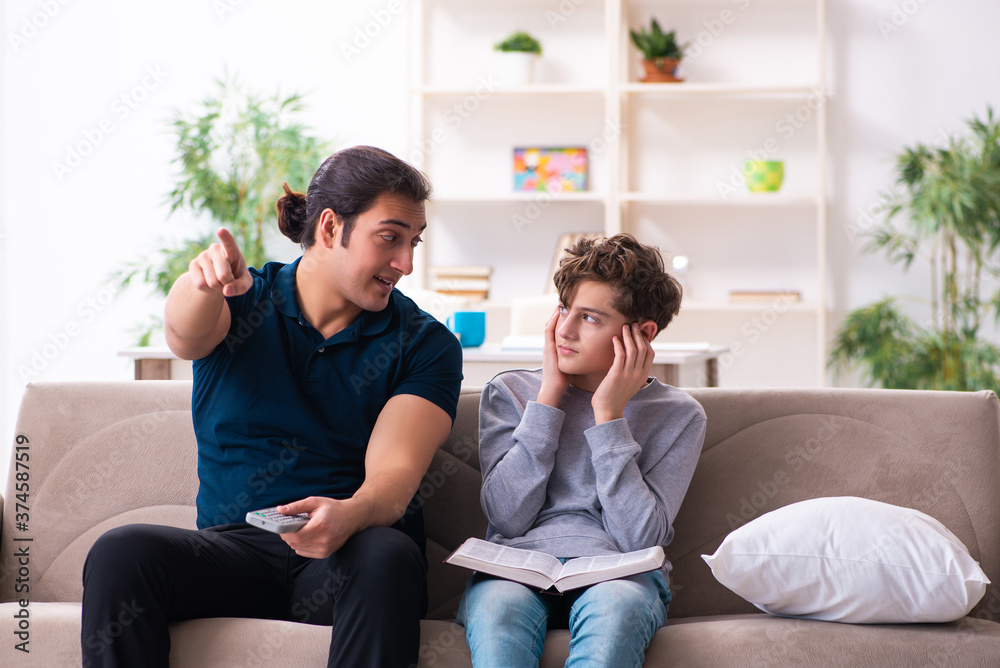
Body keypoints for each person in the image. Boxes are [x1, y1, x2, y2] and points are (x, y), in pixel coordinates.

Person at [80, 146, 463, 668]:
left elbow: (393, 477)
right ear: (330, 227)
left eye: (413, 243)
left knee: (387, 553)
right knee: (120, 552)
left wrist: (350, 514)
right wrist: (203, 285)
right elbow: (184, 334)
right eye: (390, 238)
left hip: (346, 553)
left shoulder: (426, 344)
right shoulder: (240, 299)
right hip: (234, 553)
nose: (407, 263)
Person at [456, 234, 707, 667]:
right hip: (514, 570)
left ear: (642, 334)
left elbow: (638, 538)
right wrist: (548, 399)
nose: (565, 330)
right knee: (499, 610)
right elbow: (506, 516)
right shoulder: (511, 392)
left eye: (590, 318)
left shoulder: (679, 415)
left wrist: (608, 416)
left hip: (619, 574)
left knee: (616, 608)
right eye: (564, 309)